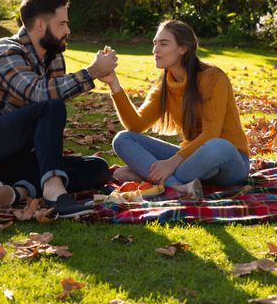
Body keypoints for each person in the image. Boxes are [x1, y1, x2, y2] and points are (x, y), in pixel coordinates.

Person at [0, 0, 118, 218]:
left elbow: (53, 101)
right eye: (62, 24)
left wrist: (97, 74)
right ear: (40, 24)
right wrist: (92, 72)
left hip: (13, 154)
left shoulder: (53, 56)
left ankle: (16, 191)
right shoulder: (6, 51)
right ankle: (53, 192)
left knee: (97, 168)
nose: (67, 30)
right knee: (51, 104)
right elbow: (39, 94)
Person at [102, 19, 250, 199]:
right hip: (191, 161)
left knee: (218, 146)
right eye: (155, 43)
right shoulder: (165, 85)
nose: (155, 50)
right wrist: (114, 84)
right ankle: (179, 187)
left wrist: (171, 163)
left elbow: (212, 133)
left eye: (163, 44)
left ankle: (146, 176)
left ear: (183, 48)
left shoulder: (213, 78)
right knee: (123, 138)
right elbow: (136, 125)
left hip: (230, 161)